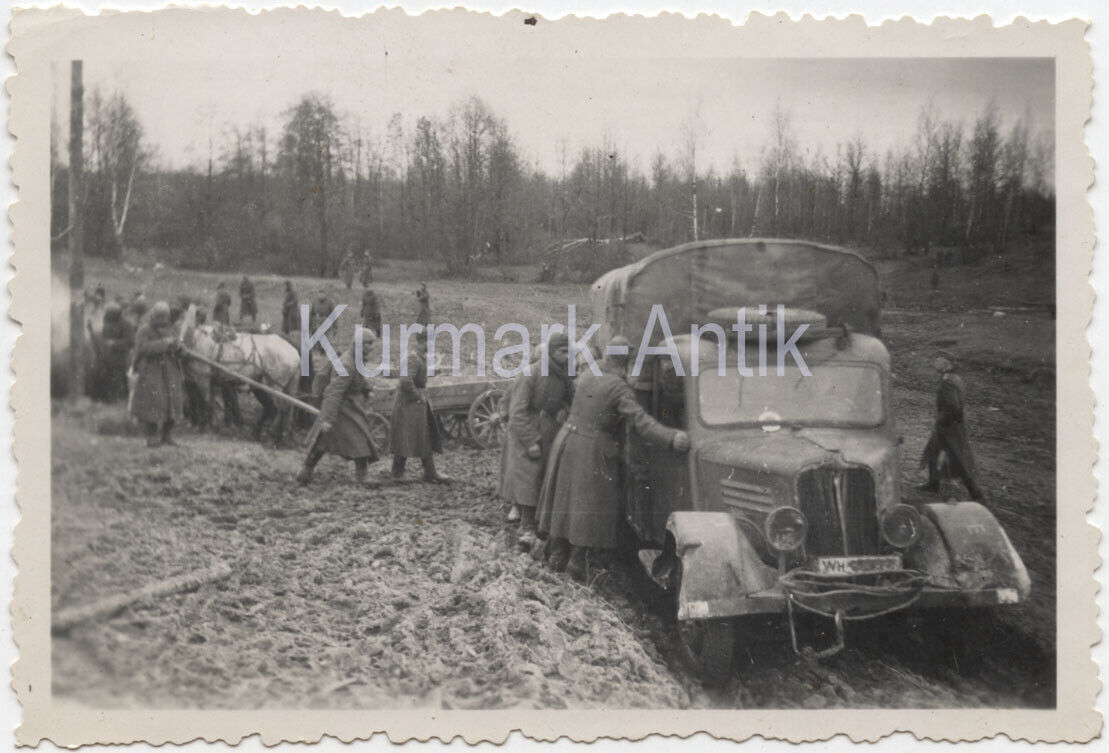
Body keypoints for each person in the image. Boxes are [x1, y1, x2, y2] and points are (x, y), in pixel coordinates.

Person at [537, 336, 690, 580]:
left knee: (565, 498)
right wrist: (672, 437)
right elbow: (642, 423)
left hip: (567, 439)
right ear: (627, 361)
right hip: (591, 448)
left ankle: (556, 554)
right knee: (588, 504)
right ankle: (577, 562)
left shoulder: (588, 374)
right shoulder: (618, 387)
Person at [501, 334, 573, 551]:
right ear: (551, 352)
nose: (567, 356)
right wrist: (530, 440)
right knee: (528, 481)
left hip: (550, 431)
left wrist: (563, 410)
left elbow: (572, 399)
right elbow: (517, 413)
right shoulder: (530, 374)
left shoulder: (563, 375)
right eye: (563, 352)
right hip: (528, 432)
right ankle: (526, 529)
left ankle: (538, 526)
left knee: (542, 479)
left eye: (569, 352)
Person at [298, 330, 381, 485]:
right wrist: (328, 418)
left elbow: (359, 378)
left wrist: (367, 390)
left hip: (349, 406)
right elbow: (333, 392)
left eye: (372, 343)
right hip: (342, 409)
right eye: (368, 343)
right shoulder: (347, 364)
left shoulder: (355, 360)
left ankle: (305, 472)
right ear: (358, 344)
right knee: (357, 439)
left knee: (324, 441)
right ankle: (361, 478)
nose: (372, 347)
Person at [919, 355, 985, 500]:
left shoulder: (948, 382)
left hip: (950, 428)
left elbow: (953, 407)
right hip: (950, 425)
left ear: (947, 364)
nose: (934, 362)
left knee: (961, 460)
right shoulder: (954, 378)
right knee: (933, 451)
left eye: (938, 360)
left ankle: (977, 494)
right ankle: (933, 484)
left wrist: (941, 421)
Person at [390, 332, 450, 484]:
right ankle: (404, 472)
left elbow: (416, 376)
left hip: (412, 405)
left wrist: (433, 372)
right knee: (415, 437)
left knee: (420, 437)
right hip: (410, 405)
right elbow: (405, 381)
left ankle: (425, 472)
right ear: (423, 341)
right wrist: (418, 396)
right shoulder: (413, 358)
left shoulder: (418, 357)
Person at [129, 301, 186, 447]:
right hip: (152, 372)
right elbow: (141, 349)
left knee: (172, 402)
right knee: (152, 405)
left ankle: (167, 435)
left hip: (170, 371)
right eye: (159, 316)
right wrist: (163, 344)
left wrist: (179, 348)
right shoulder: (144, 330)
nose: (162, 320)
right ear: (153, 315)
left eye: (164, 317)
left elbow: (178, 350)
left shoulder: (170, 330)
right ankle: (151, 436)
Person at [92, 302, 135, 403]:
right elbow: (103, 338)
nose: (108, 317)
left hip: (120, 358)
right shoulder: (107, 323)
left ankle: (120, 399)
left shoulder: (126, 325)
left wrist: (114, 343)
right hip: (107, 358)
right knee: (105, 379)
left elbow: (131, 342)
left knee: (119, 380)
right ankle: (107, 399)